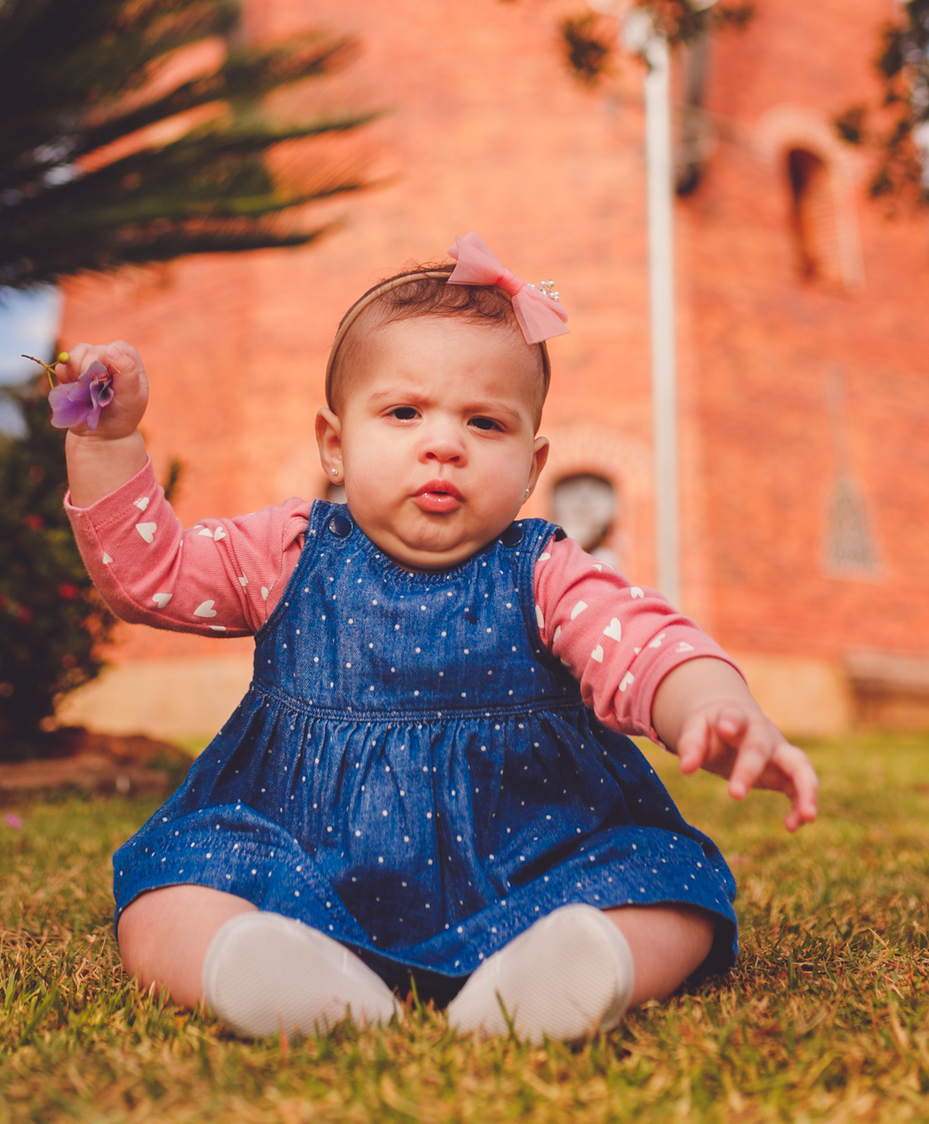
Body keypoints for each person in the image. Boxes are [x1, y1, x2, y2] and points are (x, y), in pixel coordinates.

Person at [61, 233, 818, 1042]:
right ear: (335, 445)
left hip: (530, 861)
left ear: (532, 467)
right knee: (170, 888)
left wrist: (710, 702)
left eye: (485, 423)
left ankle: (572, 966)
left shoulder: (545, 571)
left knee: (673, 886)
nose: (444, 444)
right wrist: (106, 443)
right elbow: (153, 575)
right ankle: (267, 969)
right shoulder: (286, 552)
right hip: (297, 854)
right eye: (404, 412)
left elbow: (641, 642)